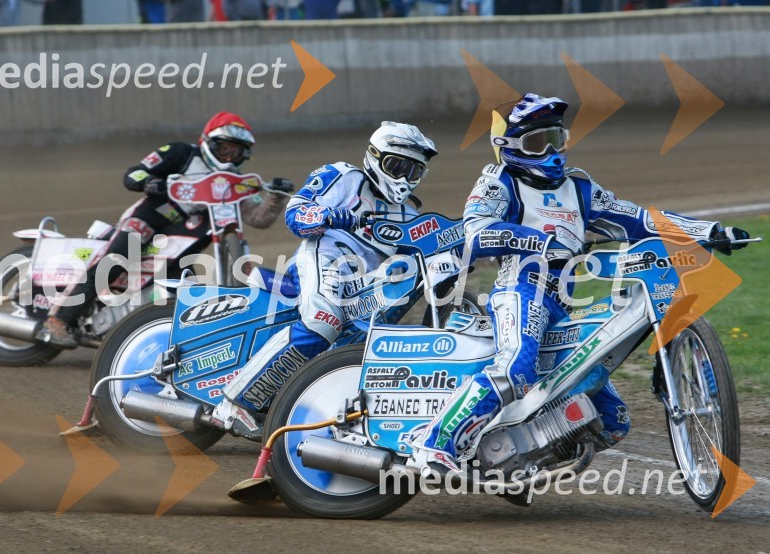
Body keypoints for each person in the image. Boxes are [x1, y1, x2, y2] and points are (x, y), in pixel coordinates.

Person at [408, 93, 749, 474]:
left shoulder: (581, 188)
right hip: (521, 290)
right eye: (539, 143)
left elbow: (639, 220)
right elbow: (475, 232)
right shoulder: (498, 182)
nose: (553, 152)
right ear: (509, 147)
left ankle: (520, 460)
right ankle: (435, 445)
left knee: (612, 420)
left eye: (557, 138)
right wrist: (538, 241)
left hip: (567, 303)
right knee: (515, 369)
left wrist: (708, 230)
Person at [214, 121, 438, 441]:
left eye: (413, 171)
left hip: (360, 283)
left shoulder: (409, 214)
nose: (403, 178)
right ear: (376, 156)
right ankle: (235, 402)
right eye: (397, 166)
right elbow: (296, 212)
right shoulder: (345, 176)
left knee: (370, 344)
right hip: (326, 257)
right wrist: (327, 216)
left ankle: (305, 410)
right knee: (324, 320)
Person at [40, 112, 294, 348]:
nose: (228, 157)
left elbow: (258, 219)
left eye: (235, 152)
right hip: (149, 219)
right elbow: (133, 175)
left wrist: (277, 196)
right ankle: (59, 318)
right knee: (117, 258)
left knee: (187, 292)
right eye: (224, 148)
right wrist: (152, 183)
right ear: (208, 142)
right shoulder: (180, 153)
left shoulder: (234, 182)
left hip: (181, 245)